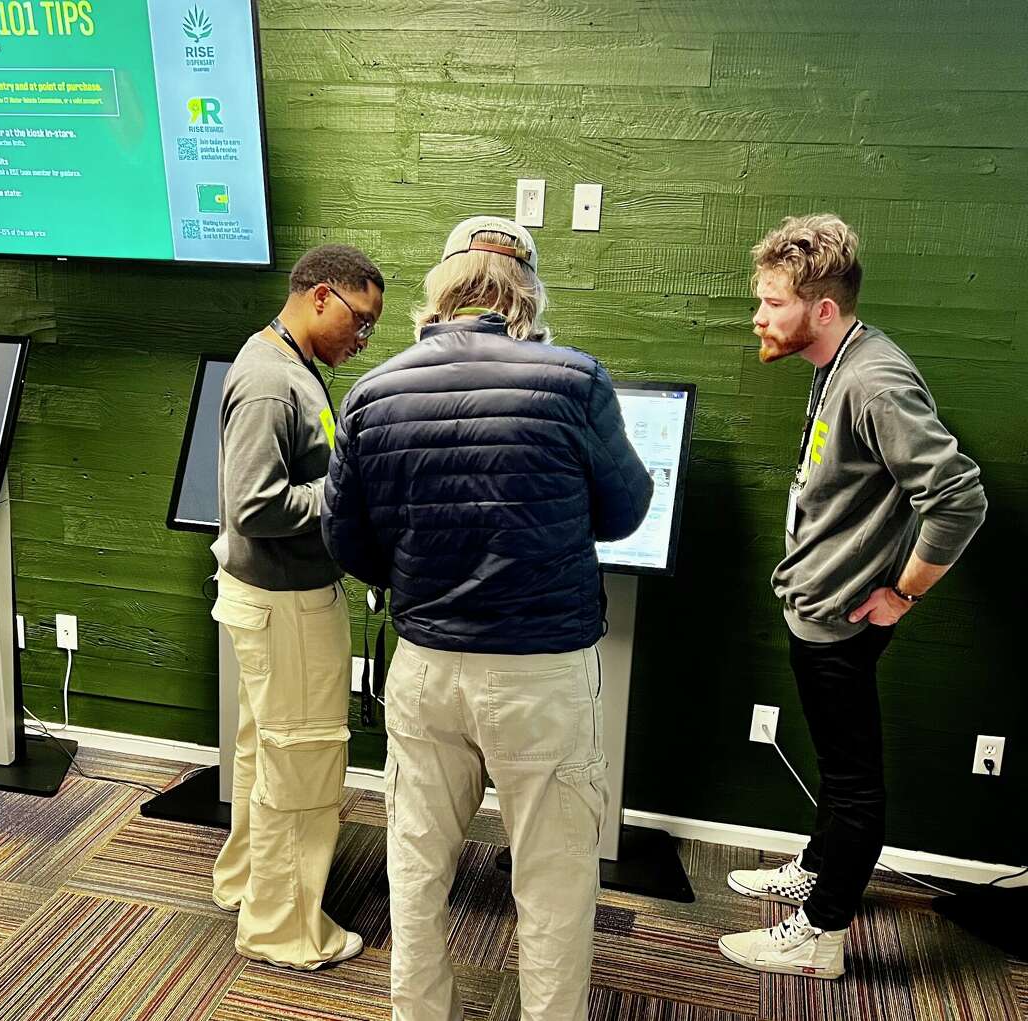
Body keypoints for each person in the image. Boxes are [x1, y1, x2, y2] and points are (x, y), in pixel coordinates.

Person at [321, 216, 654, 1021]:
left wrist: (419, 575)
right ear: (529, 299)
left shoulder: (374, 390)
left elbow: (347, 538)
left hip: (426, 665)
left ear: (440, 292)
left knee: (416, 868)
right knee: (554, 878)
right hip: (543, 672)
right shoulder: (574, 380)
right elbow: (628, 509)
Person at [718, 215, 987, 979]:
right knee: (838, 770)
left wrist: (903, 594)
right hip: (820, 606)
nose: (758, 316)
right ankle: (819, 866)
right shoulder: (835, 364)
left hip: (845, 617)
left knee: (854, 779)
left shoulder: (875, 376)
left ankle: (823, 933)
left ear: (824, 308)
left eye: (771, 302)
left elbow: (959, 497)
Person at [209, 244, 385, 970]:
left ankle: (249, 884)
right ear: (319, 296)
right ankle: (282, 928)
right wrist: (348, 495)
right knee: (302, 763)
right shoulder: (268, 381)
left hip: (283, 596)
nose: (363, 338)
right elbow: (253, 504)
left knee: (267, 753)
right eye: (360, 320)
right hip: (283, 602)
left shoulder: (293, 367)